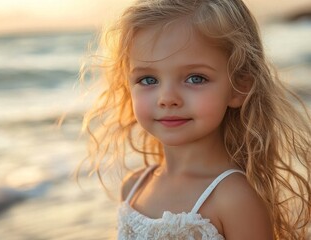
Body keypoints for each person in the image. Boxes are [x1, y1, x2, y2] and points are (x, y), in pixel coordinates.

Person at [78, 0, 311, 239]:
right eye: (148, 80)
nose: (167, 98)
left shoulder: (234, 198)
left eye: (195, 78)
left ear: (239, 87)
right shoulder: (134, 187)